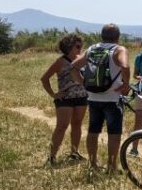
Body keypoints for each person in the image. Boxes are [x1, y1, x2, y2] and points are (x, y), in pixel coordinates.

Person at [70, 24, 130, 172]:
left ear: (102, 35)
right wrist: (126, 85)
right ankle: (111, 166)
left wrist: (83, 82)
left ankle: (92, 163)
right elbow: (126, 66)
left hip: (93, 97)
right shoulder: (119, 49)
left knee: (93, 131)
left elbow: (73, 66)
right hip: (112, 98)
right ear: (118, 36)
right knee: (114, 133)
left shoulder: (92, 49)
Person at [40, 33, 88, 165]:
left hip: (81, 97)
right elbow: (44, 79)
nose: (81, 49)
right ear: (69, 47)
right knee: (61, 126)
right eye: (78, 46)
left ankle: (74, 153)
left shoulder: (82, 60)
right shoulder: (60, 62)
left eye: (81, 46)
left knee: (77, 125)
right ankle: (52, 156)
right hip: (65, 99)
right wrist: (53, 94)